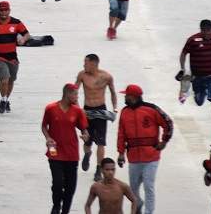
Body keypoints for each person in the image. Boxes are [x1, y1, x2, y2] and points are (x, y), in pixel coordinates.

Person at [116, 84, 173, 214]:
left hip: (151, 157)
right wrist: (120, 153)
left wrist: (164, 140)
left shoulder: (152, 109)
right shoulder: (124, 112)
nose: (125, 97)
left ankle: (149, 211)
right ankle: (139, 203)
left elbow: (168, 122)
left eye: (127, 95)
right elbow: (121, 134)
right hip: (133, 158)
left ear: (134, 97)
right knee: (133, 188)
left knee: (149, 186)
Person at [42, 84, 89, 214]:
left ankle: (65, 211)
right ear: (67, 94)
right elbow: (44, 126)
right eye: (75, 94)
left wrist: (85, 135)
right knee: (57, 183)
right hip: (54, 151)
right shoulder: (51, 108)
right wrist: (48, 137)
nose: (77, 97)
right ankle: (56, 205)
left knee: (70, 187)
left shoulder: (78, 111)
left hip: (72, 153)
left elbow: (84, 129)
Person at [76, 54, 119, 182]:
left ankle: (98, 169)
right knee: (87, 140)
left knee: (101, 142)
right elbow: (74, 91)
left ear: (94, 64)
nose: (84, 65)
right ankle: (87, 154)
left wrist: (115, 108)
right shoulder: (82, 75)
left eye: (86, 63)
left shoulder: (106, 76)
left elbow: (112, 92)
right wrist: (78, 109)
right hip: (87, 110)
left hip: (100, 110)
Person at [0, 1, 29, 114]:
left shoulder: (16, 23)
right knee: (5, 79)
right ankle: (3, 100)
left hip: (12, 57)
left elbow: (27, 34)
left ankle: (7, 99)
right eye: (1, 10)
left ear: (9, 10)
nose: (3, 12)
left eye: (5, 10)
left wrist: (23, 39)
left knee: (11, 80)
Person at [179, 19, 211, 134]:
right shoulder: (193, 40)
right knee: (199, 101)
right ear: (201, 30)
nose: (207, 33)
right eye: (204, 31)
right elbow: (183, 53)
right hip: (198, 76)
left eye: (209, 31)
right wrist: (183, 68)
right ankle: (199, 92)